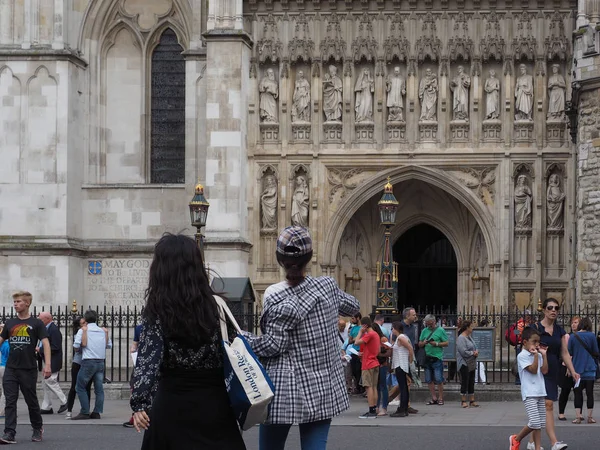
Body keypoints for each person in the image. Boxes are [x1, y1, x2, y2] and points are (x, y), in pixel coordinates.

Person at [243, 226, 359, 449]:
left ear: (279, 259)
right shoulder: (327, 286)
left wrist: (243, 338)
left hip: (285, 386)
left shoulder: (274, 295)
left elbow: (274, 344)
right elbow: (354, 305)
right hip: (324, 384)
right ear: (309, 258)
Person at [130, 233, 245, 449]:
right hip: (214, 405)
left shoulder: (158, 311)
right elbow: (236, 349)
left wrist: (139, 403)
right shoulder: (216, 306)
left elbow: (148, 362)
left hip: (172, 404)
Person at [0, 291, 51, 444]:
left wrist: (47, 364)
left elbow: (46, 343)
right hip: (11, 368)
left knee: (31, 401)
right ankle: (9, 433)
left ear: (27, 303)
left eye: (19, 302)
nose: (15, 304)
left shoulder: (37, 323)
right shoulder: (9, 323)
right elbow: (1, 340)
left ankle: (37, 427)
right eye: (14, 302)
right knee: (10, 400)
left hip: (28, 368)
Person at [529, 298, 578, 450]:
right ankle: (554, 442)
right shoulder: (535, 328)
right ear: (544, 310)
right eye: (550, 307)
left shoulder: (559, 330)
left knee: (546, 405)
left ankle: (531, 442)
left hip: (552, 370)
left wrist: (572, 369)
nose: (553, 310)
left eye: (556, 308)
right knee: (546, 405)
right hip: (538, 369)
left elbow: (564, 352)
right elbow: (528, 347)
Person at [509, 327, 549, 450]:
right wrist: (536, 356)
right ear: (525, 342)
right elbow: (532, 370)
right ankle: (516, 439)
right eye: (534, 342)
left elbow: (544, 370)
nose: (537, 345)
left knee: (540, 423)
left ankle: (537, 447)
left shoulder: (537, 354)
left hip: (540, 391)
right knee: (534, 422)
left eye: (538, 342)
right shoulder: (522, 356)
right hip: (530, 392)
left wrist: (544, 355)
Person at [72, 310, 112, 420]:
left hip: (88, 361)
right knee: (99, 389)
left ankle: (84, 411)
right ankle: (97, 412)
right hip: (100, 361)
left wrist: (80, 348)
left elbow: (76, 346)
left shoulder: (83, 330)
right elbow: (109, 345)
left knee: (80, 386)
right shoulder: (102, 331)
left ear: (85, 319)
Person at [568, 317, 599, 424]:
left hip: (577, 370)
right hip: (590, 369)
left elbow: (569, 352)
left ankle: (578, 417)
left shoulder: (573, 336)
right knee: (590, 393)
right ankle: (590, 417)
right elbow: (595, 351)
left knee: (578, 394)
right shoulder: (591, 336)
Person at [38, 312, 67, 415]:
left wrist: (40, 349)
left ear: (47, 319)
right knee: (45, 384)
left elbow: (55, 347)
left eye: (41, 319)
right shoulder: (46, 328)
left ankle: (64, 401)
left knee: (50, 380)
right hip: (46, 360)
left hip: (53, 360)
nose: (39, 321)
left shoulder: (54, 330)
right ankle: (46, 407)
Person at [419, 314, 448, 405]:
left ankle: (440, 397)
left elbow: (446, 343)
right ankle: (434, 397)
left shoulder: (441, 330)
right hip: (427, 358)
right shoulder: (424, 331)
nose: (429, 326)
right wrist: (423, 343)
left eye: (430, 324)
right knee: (428, 379)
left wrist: (436, 344)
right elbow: (419, 344)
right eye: (427, 324)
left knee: (439, 379)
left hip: (437, 357)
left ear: (434, 322)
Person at [65, 317, 91, 420]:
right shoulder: (79, 334)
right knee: (74, 387)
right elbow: (79, 348)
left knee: (87, 387)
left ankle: (86, 409)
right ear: (79, 326)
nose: (86, 324)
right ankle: (69, 410)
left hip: (87, 362)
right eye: (83, 323)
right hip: (78, 362)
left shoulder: (89, 332)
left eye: (86, 322)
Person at [355, 317, 380, 419]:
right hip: (375, 361)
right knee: (374, 387)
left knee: (368, 387)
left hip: (368, 363)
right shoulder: (376, 334)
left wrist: (360, 332)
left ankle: (371, 410)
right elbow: (377, 350)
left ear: (364, 325)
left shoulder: (369, 335)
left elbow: (356, 342)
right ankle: (374, 408)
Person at [557, 316, 580, 421]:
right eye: (572, 323)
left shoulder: (582, 336)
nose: (573, 325)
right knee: (565, 390)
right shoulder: (567, 336)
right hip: (566, 367)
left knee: (578, 390)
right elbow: (565, 352)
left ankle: (578, 413)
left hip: (578, 366)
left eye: (576, 322)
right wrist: (567, 367)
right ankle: (561, 412)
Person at [390, 322, 414, 418]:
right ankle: (404, 408)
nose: (392, 330)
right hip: (402, 364)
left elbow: (410, 348)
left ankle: (402, 408)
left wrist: (410, 359)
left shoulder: (400, 337)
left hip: (401, 364)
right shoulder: (401, 337)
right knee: (403, 387)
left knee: (403, 387)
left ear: (395, 328)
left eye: (392, 328)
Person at [123, 324, 143, 428]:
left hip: (140, 364)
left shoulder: (140, 328)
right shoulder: (162, 326)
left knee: (134, 388)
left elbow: (133, 348)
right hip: (156, 364)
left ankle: (135, 416)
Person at [456, 320, 479, 408]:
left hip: (471, 362)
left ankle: (472, 400)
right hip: (464, 363)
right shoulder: (461, 338)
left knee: (471, 381)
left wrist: (476, 351)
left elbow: (474, 346)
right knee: (465, 381)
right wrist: (473, 353)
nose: (472, 328)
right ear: (467, 328)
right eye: (471, 326)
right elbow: (463, 351)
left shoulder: (469, 337)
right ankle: (463, 400)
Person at [371, 323, 391, 417]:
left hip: (382, 364)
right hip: (375, 364)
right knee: (377, 386)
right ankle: (377, 406)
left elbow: (389, 351)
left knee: (383, 385)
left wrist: (379, 354)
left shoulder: (383, 339)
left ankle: (384, 407)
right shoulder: (372, 339)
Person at [347, 312, 363, 394]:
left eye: (353, 318)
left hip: (361, 351)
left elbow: (362, 339)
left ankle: (361, 387)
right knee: (354, 370)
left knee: (360, 370)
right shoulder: (353, 328)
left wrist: (355, 339)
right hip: (354, 351)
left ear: (358, 318)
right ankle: (357, 386)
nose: (352, 320)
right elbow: (350, 340)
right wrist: (355, 339)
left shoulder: (362, 328)